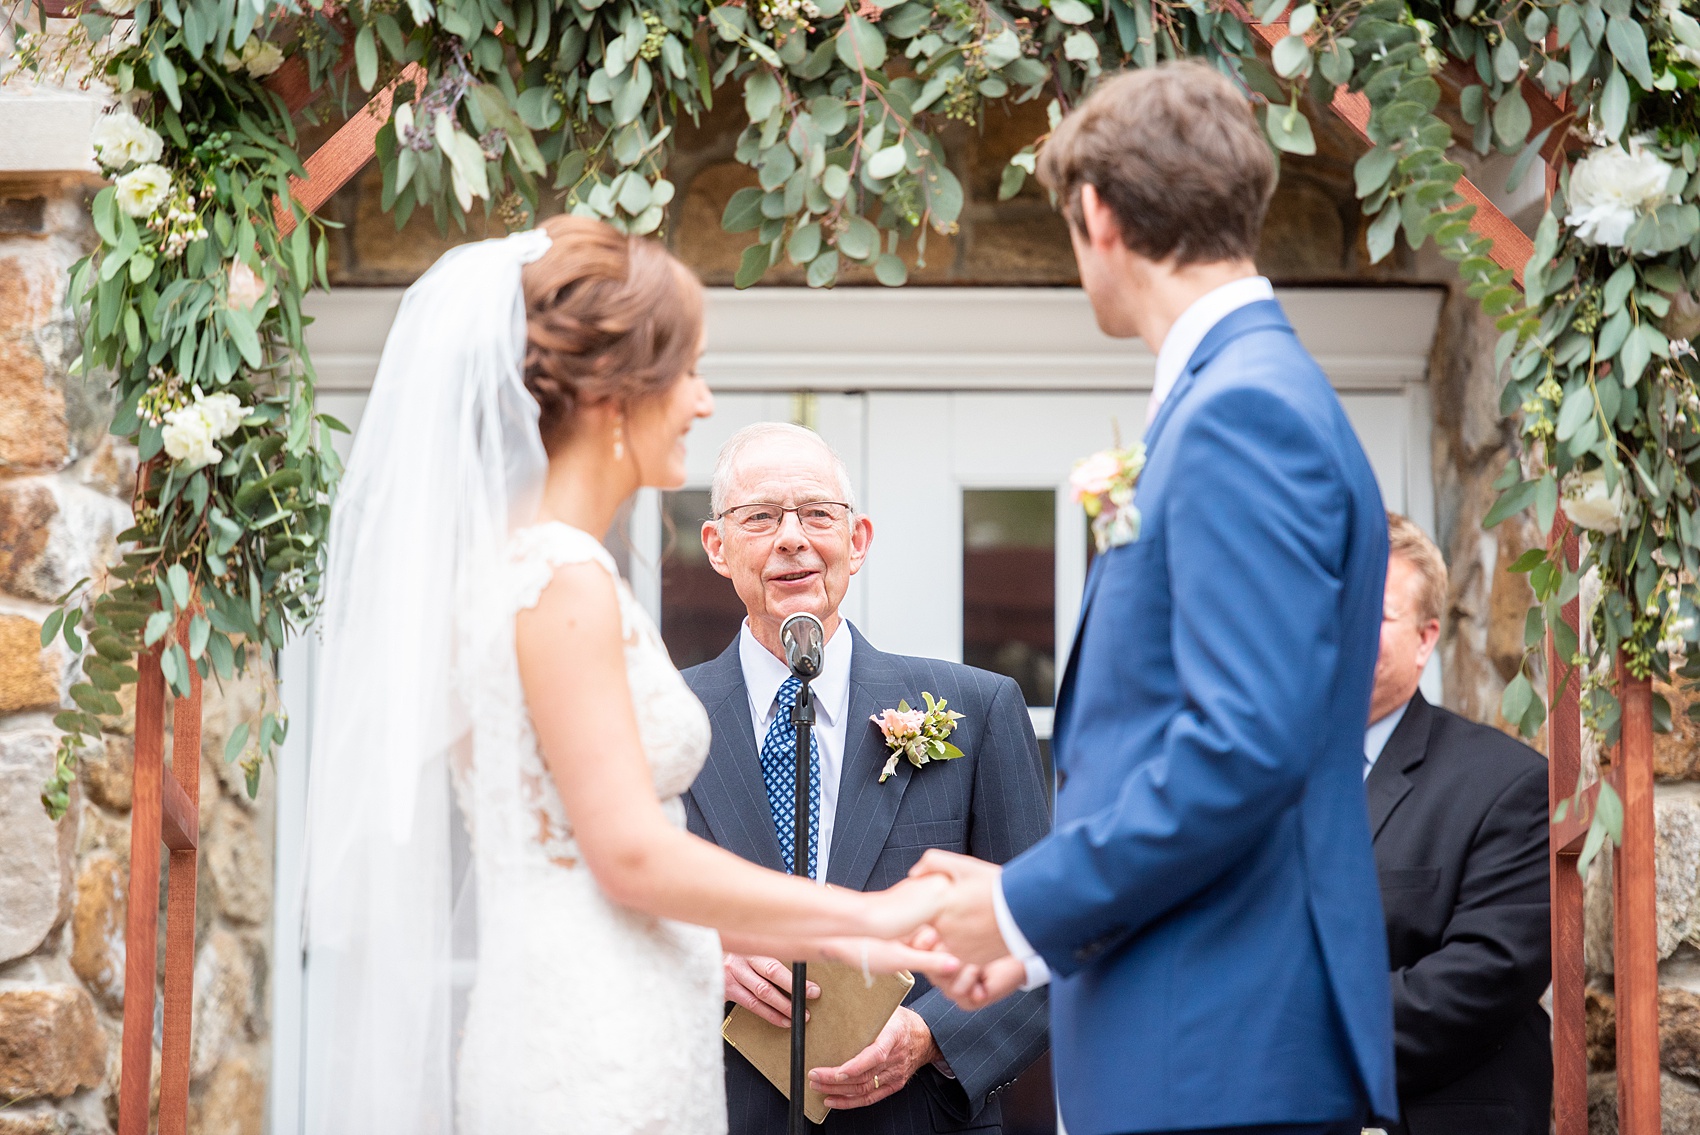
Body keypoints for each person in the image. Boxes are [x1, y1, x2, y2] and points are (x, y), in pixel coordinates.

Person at [299, 217, 958, 1135]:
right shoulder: (559, 580)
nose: (700, 398)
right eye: (685, 370)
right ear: (617, 396)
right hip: (595, 1038)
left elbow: (559, 841)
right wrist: (870, 919)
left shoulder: (511, 572)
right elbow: (629, 853)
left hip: (582, 1010)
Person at [910, 61, 1399, 1135]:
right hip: (1195, 1034)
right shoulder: (1243, 393)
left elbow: (1236, 748)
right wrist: (1029, 940)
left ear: (1096, 215)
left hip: (1215, 1047)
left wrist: (1009, 903)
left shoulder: (1239, 414)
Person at [681, 422, 1052, 1135]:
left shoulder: (976, 710)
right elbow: (596, 911)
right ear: (716, 547)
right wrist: (699, 954)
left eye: (818, 513)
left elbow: (1038, 928)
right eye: (760, 516)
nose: (792, 537)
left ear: (858, 540)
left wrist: (931, 1034)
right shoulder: (656, 719)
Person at [1366, 515, 1551, 1135]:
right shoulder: (1270, 785)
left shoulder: (1506, 783)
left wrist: (1305, 1030)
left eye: (1377, 611)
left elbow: (1486, 974)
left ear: (1425, 639)